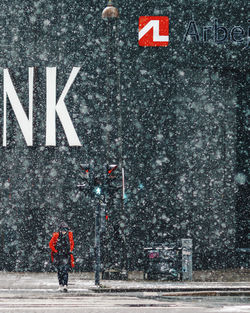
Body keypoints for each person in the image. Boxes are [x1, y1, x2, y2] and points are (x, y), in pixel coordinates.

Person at [49, 222, 75, 292]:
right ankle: (61, 285)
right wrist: (56, 251)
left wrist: (70, 250)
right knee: (60, 271)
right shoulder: (56, 235)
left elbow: (72, 243)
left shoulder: (69, 235)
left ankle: (65, 285)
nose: (64, 231)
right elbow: (51, 244)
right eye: (62, 230)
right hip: (58, 256)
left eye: (65, 230)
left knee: (65, 271)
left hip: (66, 255)